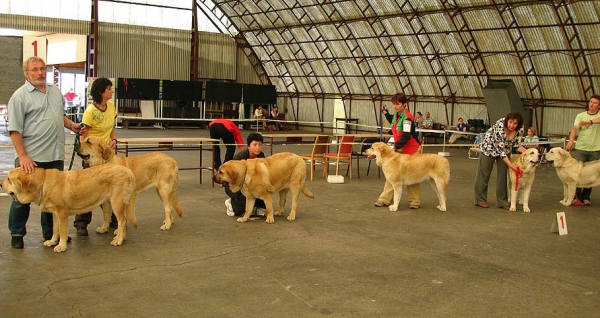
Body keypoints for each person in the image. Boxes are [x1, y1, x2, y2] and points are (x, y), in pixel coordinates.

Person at [7, 56, 81, 249]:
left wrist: (72, 125)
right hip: (31, 159)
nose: (40, 72)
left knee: (53, 199)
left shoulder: (55, 91)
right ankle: (17, 233)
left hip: (55, 155)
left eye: (42, 68)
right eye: (35, 69)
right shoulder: (20, 96)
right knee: (21, 198)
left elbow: (60, 115)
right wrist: (22, 156)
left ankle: (51, 234)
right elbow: (15, 130)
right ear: (26, 73)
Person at [73, 77, 117, 236]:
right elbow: (84, 136)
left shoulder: (111, 107)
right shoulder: (90, 112)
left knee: (112, 188)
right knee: (90, 190)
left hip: (107, 155)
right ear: (101, 92)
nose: (112, 90)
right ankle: (81, 222)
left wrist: (113, 139)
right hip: (93, 157)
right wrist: (88, 156)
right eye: (109, 88)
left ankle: (114, 218)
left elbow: (111, 127)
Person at [374, 93, 422, 209]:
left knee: (413, 176)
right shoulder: (397, 114)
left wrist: (395, 147)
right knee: (392, 175)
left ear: (404, 104)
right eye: (394, 104)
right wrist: (385, 113)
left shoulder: (407, 117)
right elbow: (393, 121)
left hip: (412, 149)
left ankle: (414, 202)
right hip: (401, 149)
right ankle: (384, 200)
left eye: (398, 104)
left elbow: (406, 135)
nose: (395, 106)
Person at [474, 112, 527, 210]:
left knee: (503, 175)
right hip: (489, 147)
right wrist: (511, 165)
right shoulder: (500, 127)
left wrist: (528, 153)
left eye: (515, 123)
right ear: (507, 121)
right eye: (510, 122)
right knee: (484, 173)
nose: (512, 125)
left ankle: (502, 201)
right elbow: (500, 151)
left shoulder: (520, 129)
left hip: (505, 149)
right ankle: (480, 199)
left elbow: (516, 144)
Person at [566, 94, 600, 206]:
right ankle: (577, 197)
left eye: (595, 103)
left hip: (596, 149)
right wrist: (571, 141)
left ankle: (586, 197)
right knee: (576, 173)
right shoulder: (580, 115)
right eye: (591, 101)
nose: (591, 104)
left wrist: (590, 122)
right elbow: (575, 128)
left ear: (599, 106)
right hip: (580, 148)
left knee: (591, 174)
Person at [224, 132, 267, 217]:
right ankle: (230, 204)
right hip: (235, 185)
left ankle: (255, 207)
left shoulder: (261, 156)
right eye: (255, 145)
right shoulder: (239, 158)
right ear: (248, 146)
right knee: (239, 210)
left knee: (263, 194)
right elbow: (234, 179)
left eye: (260, 145)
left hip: (251, 184)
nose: (258, 148)